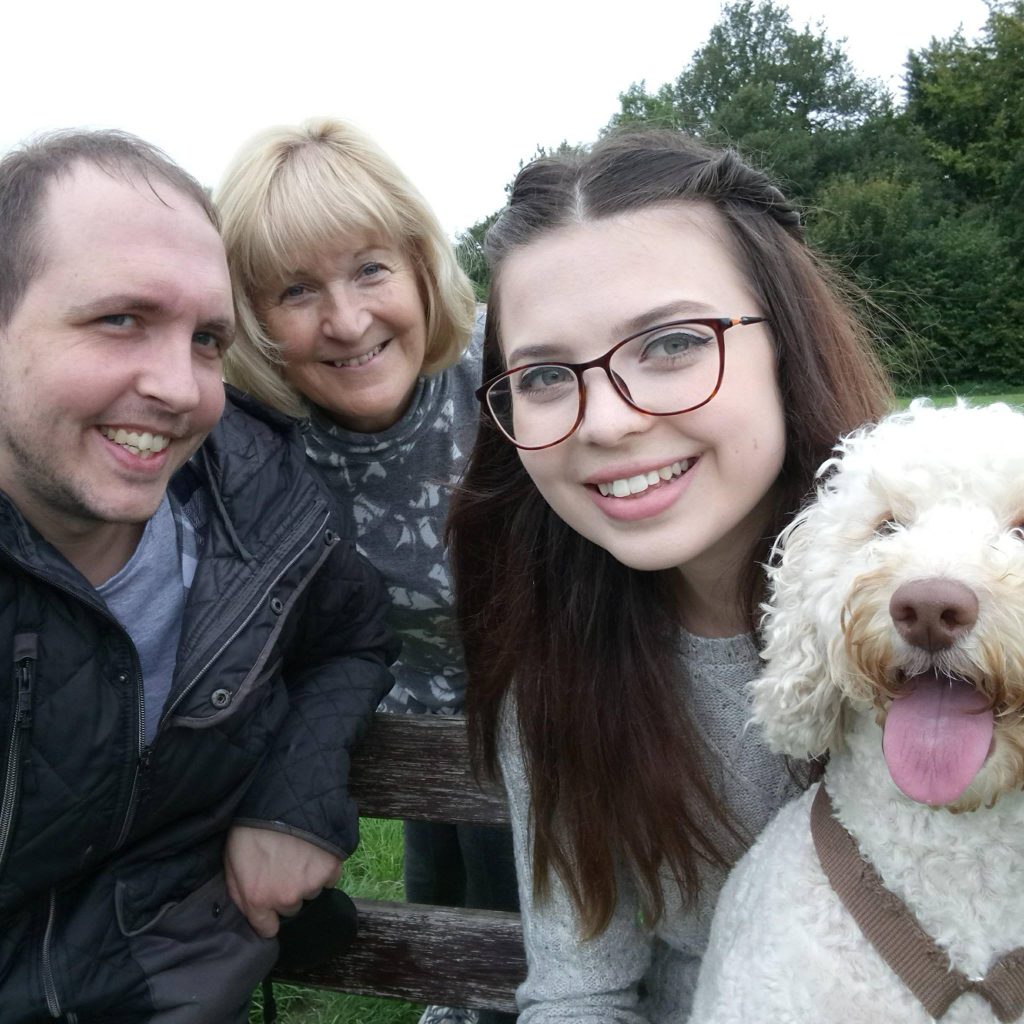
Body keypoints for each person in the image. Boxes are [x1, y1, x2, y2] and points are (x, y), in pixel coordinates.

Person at [446, 130, 893, 1022]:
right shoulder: (558, 662)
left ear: (787, 344)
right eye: (543, 375)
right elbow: (581, 991)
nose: (604, 422)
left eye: (672, 343)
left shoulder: (956, 610)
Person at [0, 129, 397, 1023]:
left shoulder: (256, 502)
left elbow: (352, 637)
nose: (181, 388)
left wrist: (292, 797)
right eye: (119, 319)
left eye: (208, 338)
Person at [215, 117, 518, 1024]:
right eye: (295, 289)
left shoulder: (511, 370)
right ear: (249, 317)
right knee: (442, 883)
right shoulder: (253, 439)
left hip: (545, 720)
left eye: (371, 270)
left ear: (423, 265)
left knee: (518, 916)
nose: (345, 321)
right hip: (396, 721)